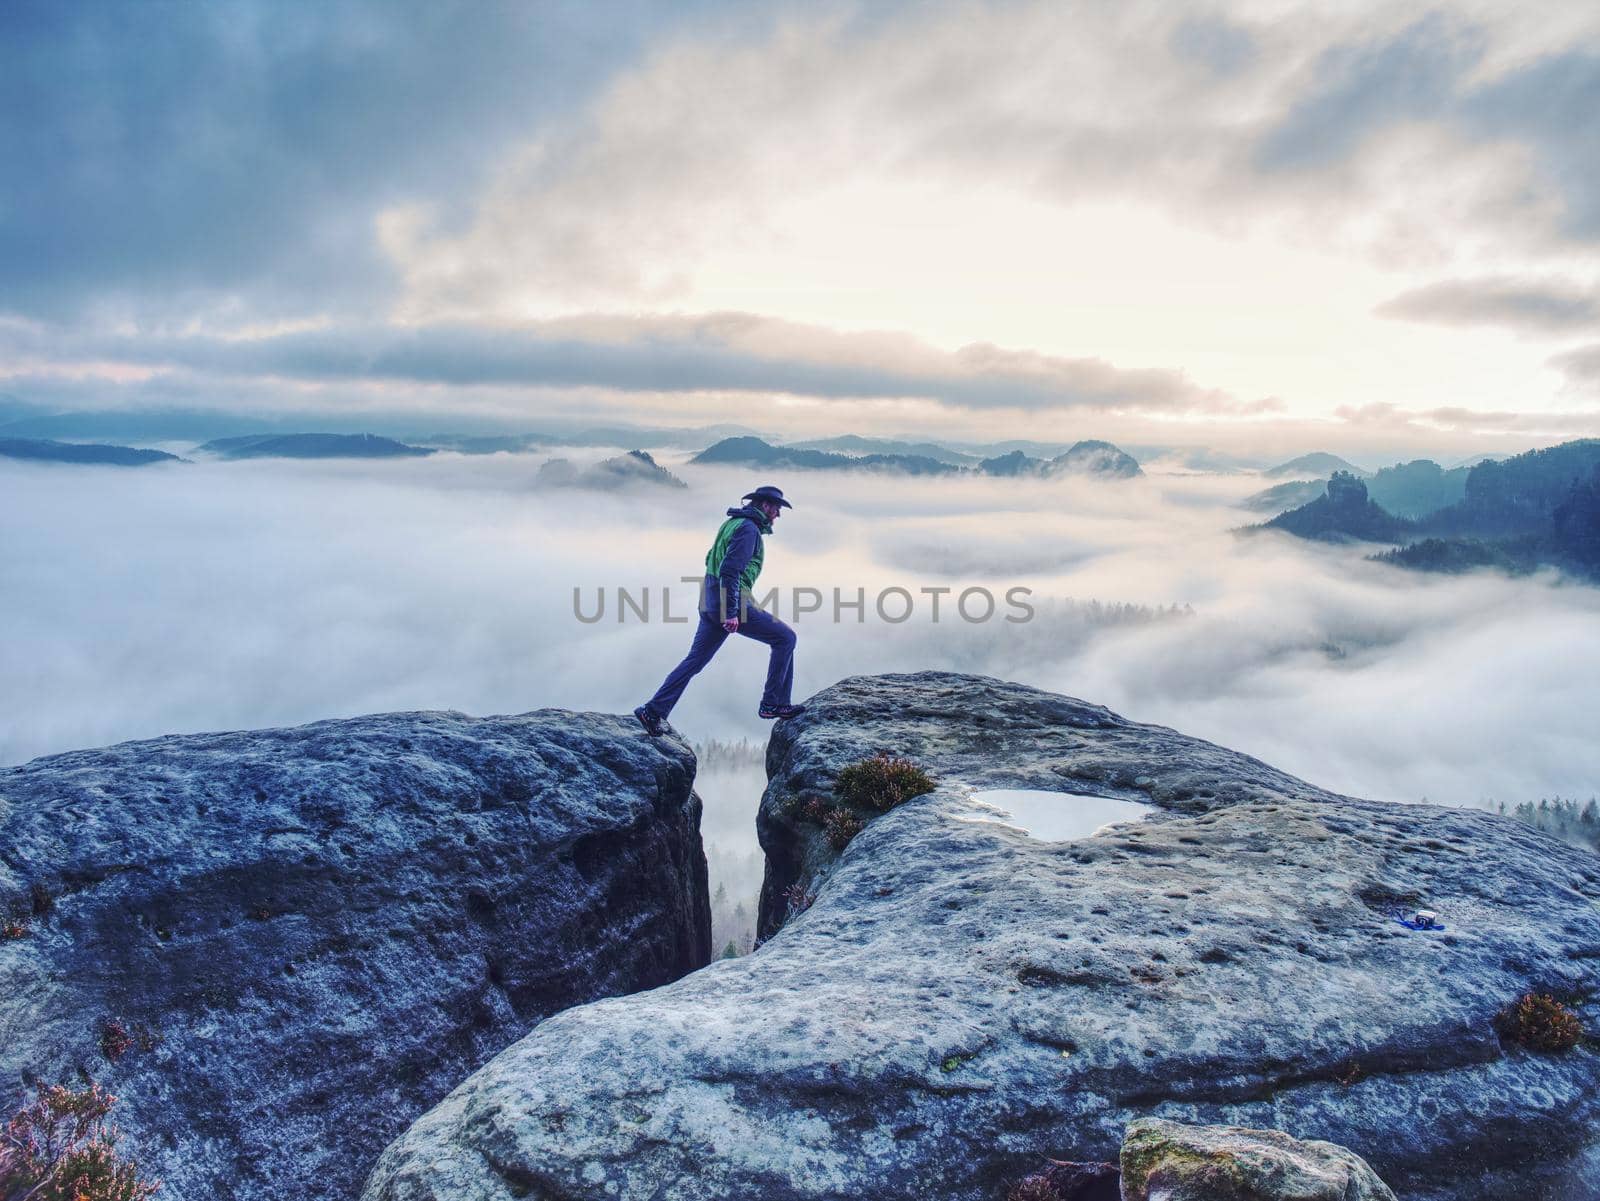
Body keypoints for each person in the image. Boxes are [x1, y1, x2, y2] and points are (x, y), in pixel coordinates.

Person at [634, 485, 806, 735]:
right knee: (786, 638)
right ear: (765, 505)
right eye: (777, 508)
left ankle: (652, 711)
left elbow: (710, 560)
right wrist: (732, 611)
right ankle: (774, 703)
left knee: (694, 661)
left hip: (710, 601)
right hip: (729, 602)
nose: (778, 514)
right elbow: (730, 570)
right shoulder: (748, 530)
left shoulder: (733, 523)